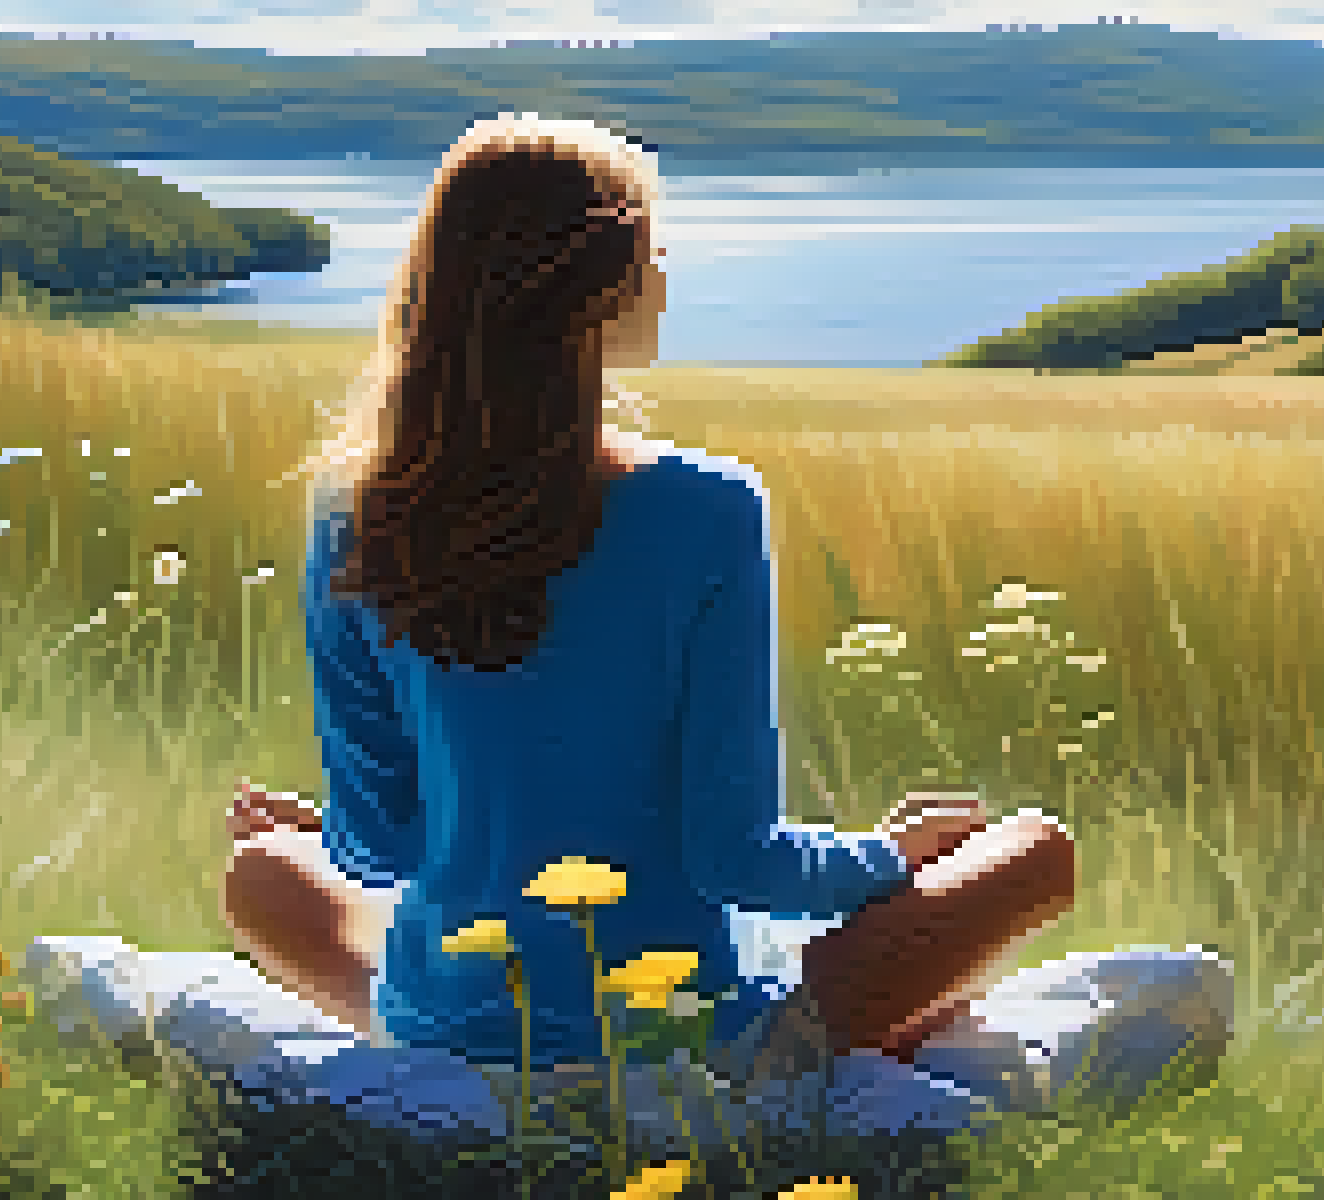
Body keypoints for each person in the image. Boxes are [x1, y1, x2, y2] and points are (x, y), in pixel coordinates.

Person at [221, 111, 988, 1076]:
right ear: (597, 288)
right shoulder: (707, 510)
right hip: (675, 1025)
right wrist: (887, 856)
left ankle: (456, 1048)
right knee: (1033, 854)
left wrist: (319, 832)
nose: (664, 277)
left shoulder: (356, 512)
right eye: (650, 251)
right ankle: (783, 1066)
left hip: (446, 1011)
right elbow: (733, 860)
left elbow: (381, 850)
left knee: (264, 871)